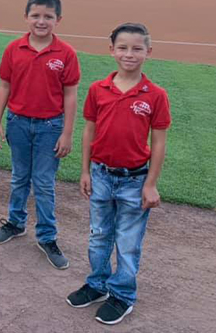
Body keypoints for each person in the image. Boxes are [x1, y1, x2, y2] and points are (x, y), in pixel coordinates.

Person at [66, 23, 170, 326]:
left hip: (135, 180)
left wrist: (151, 184)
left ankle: (122, 295)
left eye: (137, 48)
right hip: (101, 174)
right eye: (123, 47)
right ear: (111, 49)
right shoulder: (99, 89)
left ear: (148, 52)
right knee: (99, 235)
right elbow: (90, 131)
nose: (129, 54)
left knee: (128, 241)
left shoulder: (155, 95)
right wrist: (85, 170)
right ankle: (98, 284)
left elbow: (159, 141)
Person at [0, 0, 80, 270]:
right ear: (26, 17)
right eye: (36, 16)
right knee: (19, 177)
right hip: (18, 122)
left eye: (48, 17)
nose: (41, 21)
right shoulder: (14, 49)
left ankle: (47, 236)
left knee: (43, 182)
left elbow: (70, 95)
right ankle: (16, 222)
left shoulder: (65, 53)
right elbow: (5, 85)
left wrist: (67, 132)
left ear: (58, 20)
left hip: (50, 126)